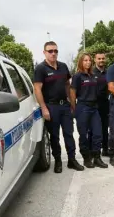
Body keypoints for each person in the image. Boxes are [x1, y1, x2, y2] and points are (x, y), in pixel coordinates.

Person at [33, 41, 84, 173]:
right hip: (51, 107)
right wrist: (44, 108)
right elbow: (37, 89)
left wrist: (71, 102)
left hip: (65, 106)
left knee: (69, 134)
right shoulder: (40, 68)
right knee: (54, 136)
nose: (53, 53)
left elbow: (67, 84)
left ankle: (72, 160)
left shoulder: (63, 66)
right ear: (44, 52)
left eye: (55, 51)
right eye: (50, 51)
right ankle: (58, 162)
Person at [70, 53, 108, 169]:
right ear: (81, 62)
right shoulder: (77, 76)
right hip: (82, 107)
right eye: (85, 60)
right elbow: (72, 93)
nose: (88, 62)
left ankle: (97, 157)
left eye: (89, 60)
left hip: (94, 108)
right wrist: (74, 108)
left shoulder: (93, 75)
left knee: (97, 134)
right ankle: (87, 158)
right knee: (83, 135)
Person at [87, 52, 109, 157]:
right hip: (93, 104)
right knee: (92, 129)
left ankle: (105, 149)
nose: (101, 60)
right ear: (95, 60)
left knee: (105, 128)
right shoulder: (90, 72)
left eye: (103, 58)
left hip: (105, 104)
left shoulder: (108, 73)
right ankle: (92, 150)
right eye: (99, 58)